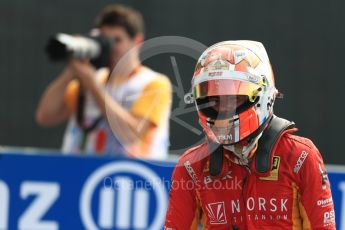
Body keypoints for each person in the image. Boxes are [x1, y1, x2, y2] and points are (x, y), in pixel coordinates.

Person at [164, 41, 336, 229]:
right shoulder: (191, 166)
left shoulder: (300, 157)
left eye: (233, 98)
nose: (222, 110)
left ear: (262, 95)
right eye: (213, 100)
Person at [36, 4, 172, 159]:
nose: (110, 48)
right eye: (105, 40)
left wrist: (93, 85)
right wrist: (71, 70)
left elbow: (131, 135)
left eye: (117, 40)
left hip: (129, 177)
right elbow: (45, 116)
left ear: (137, 41)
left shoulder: (153, 83)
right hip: (77, 176)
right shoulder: (91, 79)